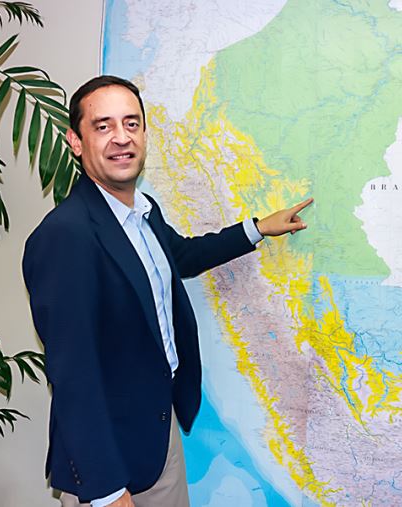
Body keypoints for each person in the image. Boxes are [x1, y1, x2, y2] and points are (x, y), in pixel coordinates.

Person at [22, 75, 313, 507]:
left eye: (131, 123)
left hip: (158, 432)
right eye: (103, 126)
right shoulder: (66, 236)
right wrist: (106, 491)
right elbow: (73, 374)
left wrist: (256, 229)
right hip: (109, 459)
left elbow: (182, 256)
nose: (122, 137)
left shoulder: (142, 212)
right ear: (76, 142)